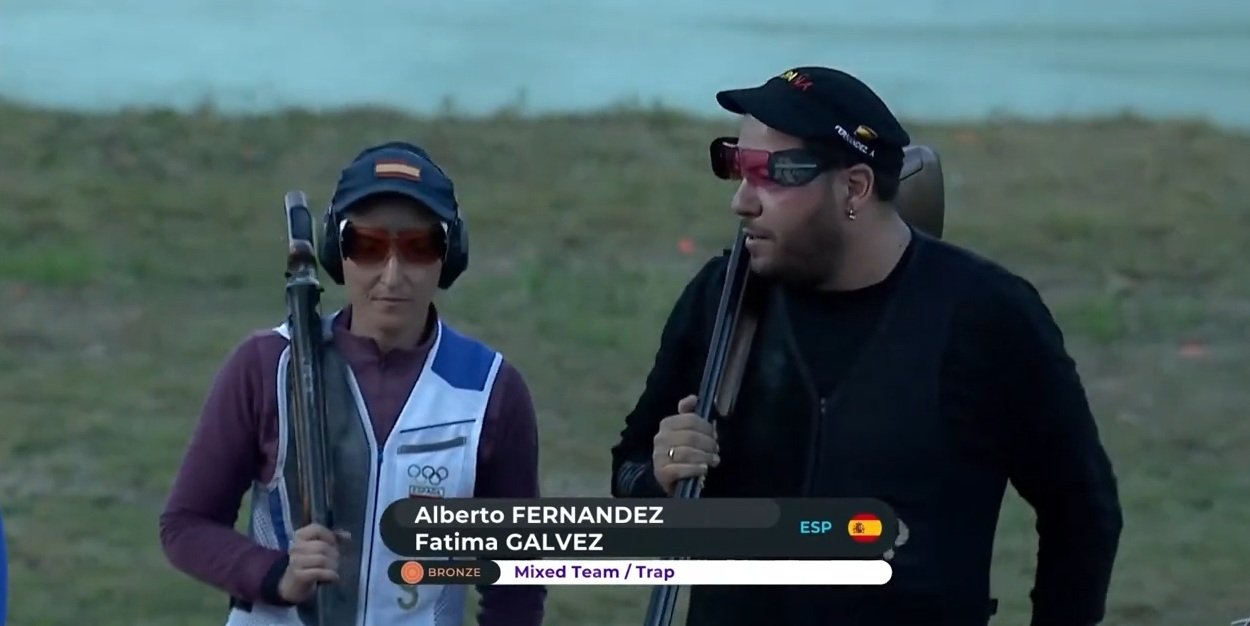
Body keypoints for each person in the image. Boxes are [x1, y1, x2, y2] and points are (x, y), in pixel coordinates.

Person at [609, 67, 1124, 626]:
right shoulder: (721, 299)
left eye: (771, 173)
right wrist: (660, 478)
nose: (742, 201)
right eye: (736, 165)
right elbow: (629, 473)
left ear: (854, 187)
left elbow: (1081, 512)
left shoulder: (985, 315)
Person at [160, 141, 546, 626]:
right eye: (367, 245)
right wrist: (277, 575)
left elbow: (516, 578)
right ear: (335, 252)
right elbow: (186, 525)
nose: (392, 273)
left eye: (418, 247)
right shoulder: (267, 367)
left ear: (449, 256)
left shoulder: (490, 390)